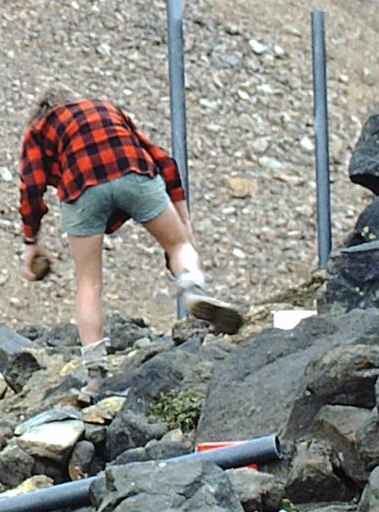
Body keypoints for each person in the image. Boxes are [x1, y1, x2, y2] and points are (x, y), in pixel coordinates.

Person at [17, 88, 239, 400]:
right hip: (133, 172)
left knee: (88, 283)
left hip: (80, 188)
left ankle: (95, 375)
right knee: (178, 247)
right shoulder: (108, 108)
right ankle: (192, 289)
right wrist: (183, 224)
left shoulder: (38, 129)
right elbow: (162, 158)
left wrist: (31, 241)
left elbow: (31, 186)